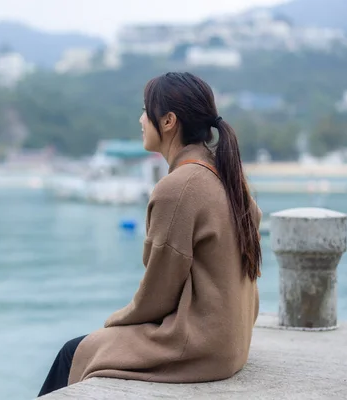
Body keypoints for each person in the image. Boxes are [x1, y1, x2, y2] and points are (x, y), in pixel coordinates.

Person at [37, 72, 263, 397]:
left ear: (169, 120)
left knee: (73, 353)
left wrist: (114, 320)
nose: (140, 119)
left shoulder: (179, 188)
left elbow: (157, 295)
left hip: (198, 346)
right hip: (232, 343)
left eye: (146, 110)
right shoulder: (226, 176)